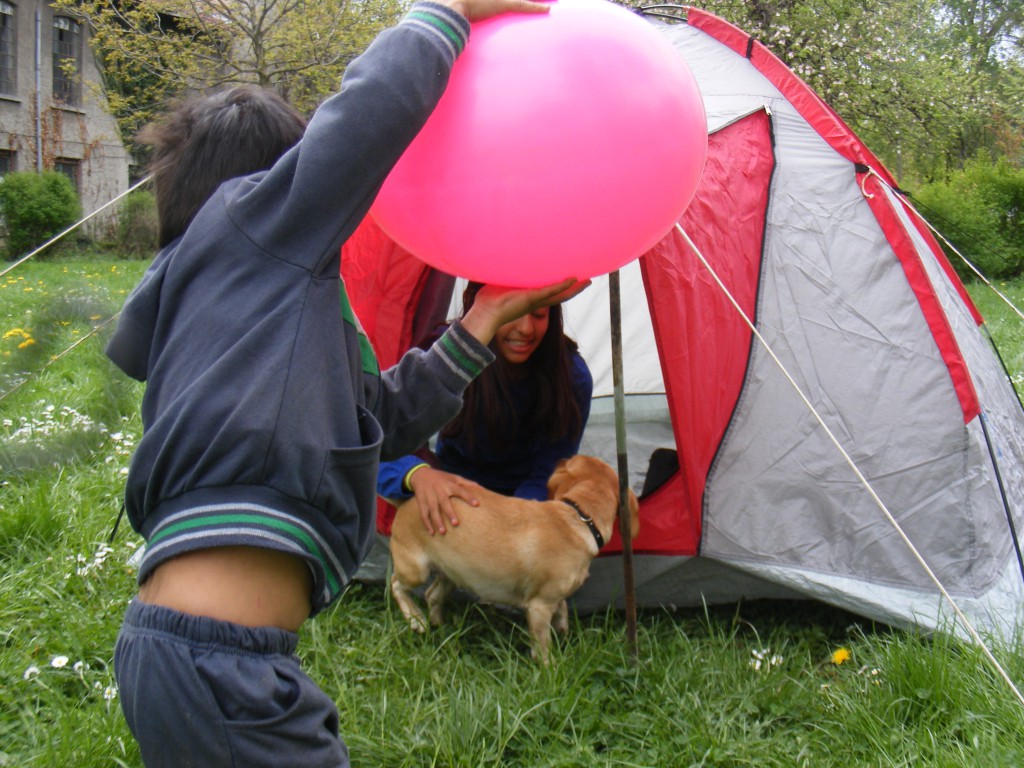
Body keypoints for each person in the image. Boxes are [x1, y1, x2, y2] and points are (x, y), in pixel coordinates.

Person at [104, 1, 587, 765]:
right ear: (266, 185)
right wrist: (447, 13)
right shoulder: (248, 223)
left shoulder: (252, 321)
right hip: (219, 665)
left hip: (206, 659)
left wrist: (485, 319)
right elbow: (360, 123)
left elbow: (378, 418)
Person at [377, 281, 593, 535]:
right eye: (511, 314)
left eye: (539, 314)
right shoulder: (447, 356)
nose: (525, 329)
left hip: (524, 504)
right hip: (452, 496)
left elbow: (549, 471)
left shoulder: (571, 376)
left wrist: (510, 520)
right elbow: (369, 441)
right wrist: (417, 475)